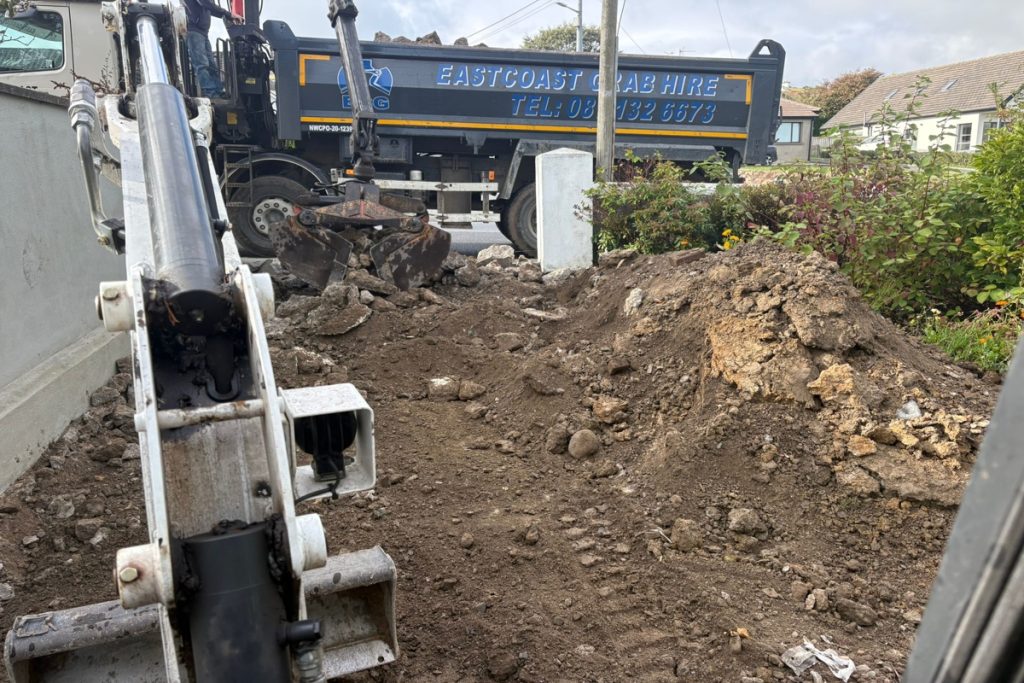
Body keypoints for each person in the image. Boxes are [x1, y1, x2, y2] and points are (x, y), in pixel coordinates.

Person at [182, 0, 243, 97]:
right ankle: (211, 94)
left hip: (203, 32)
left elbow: (210, 7)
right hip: (194, 31)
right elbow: (206, 3)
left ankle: (219, 91)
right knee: (202, 65)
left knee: (211, 65)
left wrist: (228, 16)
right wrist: (229, 14)